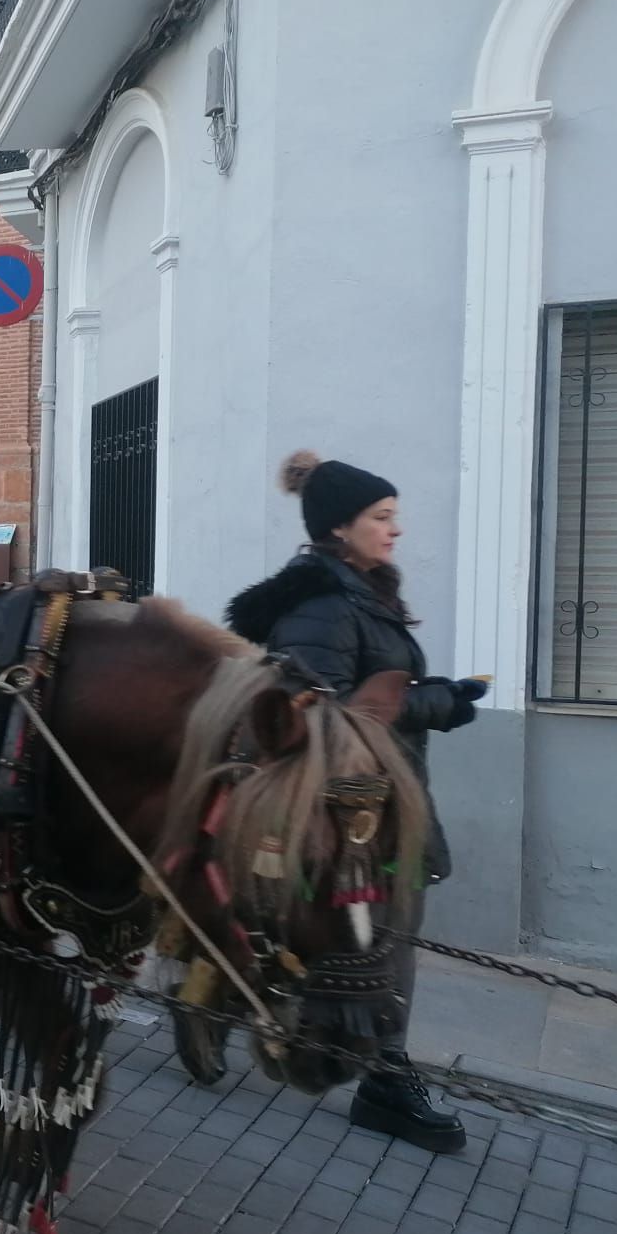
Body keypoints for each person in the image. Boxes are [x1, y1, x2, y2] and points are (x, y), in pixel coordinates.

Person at [226, 451, 485, 1155]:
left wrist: (440, 696)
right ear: (340, 528)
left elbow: (368, 693)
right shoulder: (324, 606)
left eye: (394, 516)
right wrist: (434, 703)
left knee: (385, 940)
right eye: (382, 517)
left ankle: (366, 1065)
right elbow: (324, 715)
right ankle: (384, 1079)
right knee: (382, 943)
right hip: (353, 816)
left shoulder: (360, 595)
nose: (395, 530)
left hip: (381, 799)